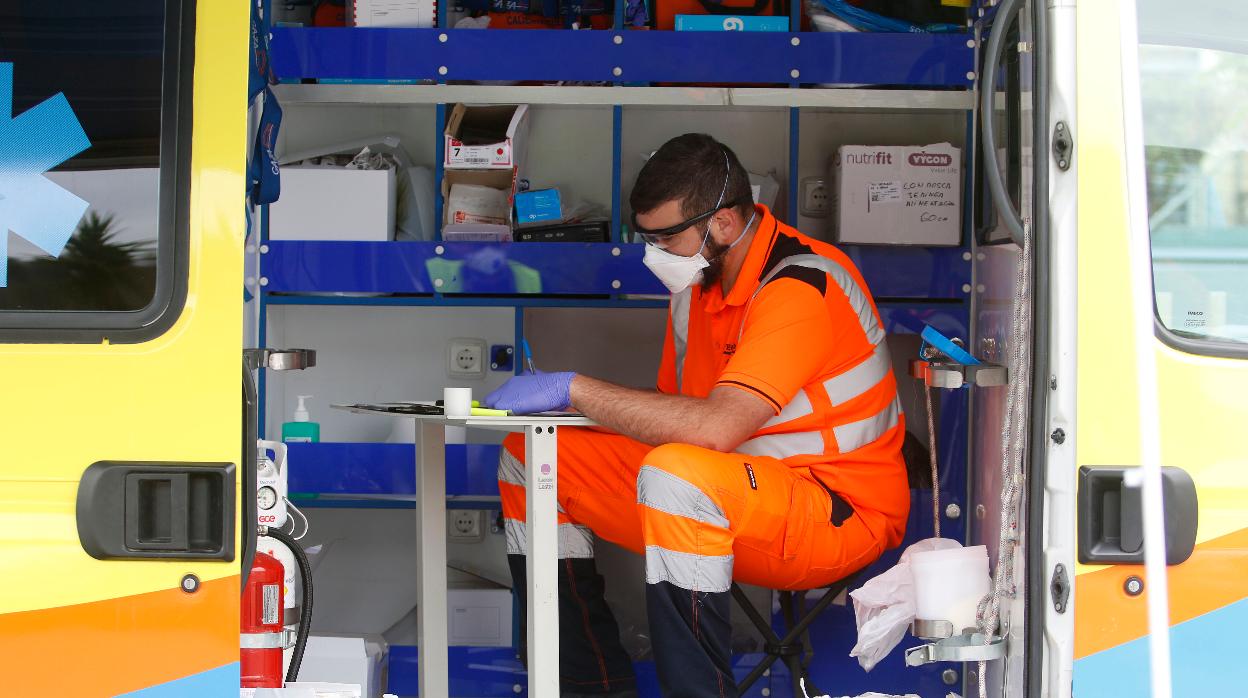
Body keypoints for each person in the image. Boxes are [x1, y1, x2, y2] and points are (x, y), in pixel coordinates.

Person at [484, 133, 909, 698]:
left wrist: (576, 388)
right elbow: (675, 416)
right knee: (530, 459)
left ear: (725, 224)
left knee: (675, 478)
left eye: (665, 237)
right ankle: (590, 687)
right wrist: (564, 407)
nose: (652, 252)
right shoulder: (697, 290)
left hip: (836, 512)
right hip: (737, 488)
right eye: (647, 236)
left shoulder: (800, 286)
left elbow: (714, 428)